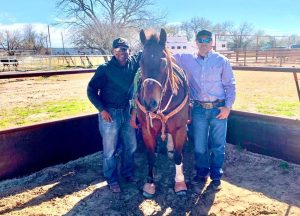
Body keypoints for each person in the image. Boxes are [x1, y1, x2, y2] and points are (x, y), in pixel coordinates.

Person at [173, 29, 236, 191]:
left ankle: (216, 175)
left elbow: (230, 86)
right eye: (200, 40)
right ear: (196, 42)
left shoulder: (222, 61)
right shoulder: (187, 59)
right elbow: (166, 56)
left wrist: (228, 107)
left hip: (219, 109)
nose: (203, 42)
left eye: (207, 39)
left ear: (212, 42)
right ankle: (202, 173)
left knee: (218, 145)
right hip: (199, 109)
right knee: (199, 145)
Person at [87, 37, 141, 193]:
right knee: (109, 149)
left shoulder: (133, 64)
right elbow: (91, 90)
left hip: (127, 111)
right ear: (113, 51)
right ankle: (111, 178)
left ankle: (127, 173)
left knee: (131, 145)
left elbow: (146, 52)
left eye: (124, 49)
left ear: (129, 51)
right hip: (109, 113)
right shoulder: (105, 69)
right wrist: (101, 109)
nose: (121, 52)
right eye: (117, 49)